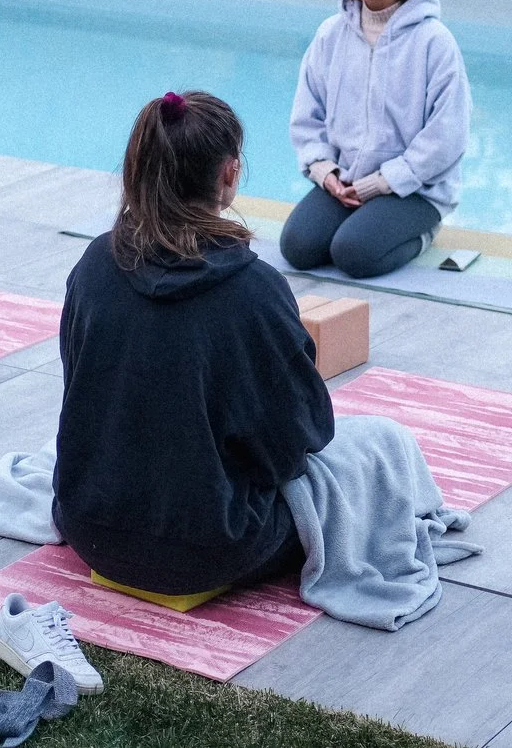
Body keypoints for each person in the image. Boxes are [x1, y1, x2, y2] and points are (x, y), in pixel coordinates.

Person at [54, 89, 334, 598]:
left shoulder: (93, 266)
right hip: (212, 549)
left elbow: (83, 392)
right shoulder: (255, 291)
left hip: (89, 529)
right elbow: (298, 439)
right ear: (229, 173)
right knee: (372, 455)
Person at [281, 0, 471, 280]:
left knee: (354, 254)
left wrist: (384, 182)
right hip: (346, 181)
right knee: (298, 248)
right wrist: (325, 172)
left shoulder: (434, 42)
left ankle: (423, 233)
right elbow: (307, 114)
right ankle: (365, 222)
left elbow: (447, 135)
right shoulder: (331, 34)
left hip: (414, 190)